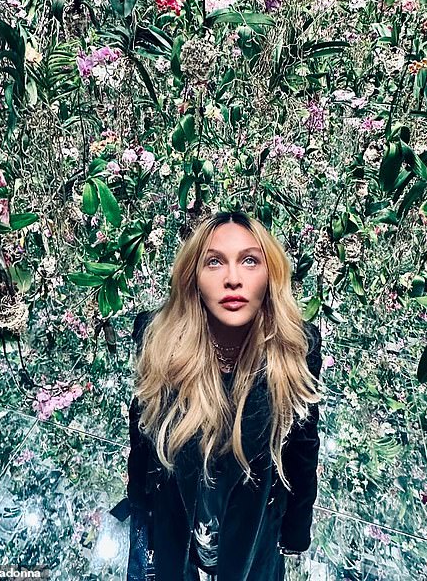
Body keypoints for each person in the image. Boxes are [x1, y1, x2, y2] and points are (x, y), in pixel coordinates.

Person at [124, 210, 322, 581]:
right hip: (178, 522)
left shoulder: (297, 347)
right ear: (194, 278)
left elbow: (303, 445)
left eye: (250, 261)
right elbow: (142, 428)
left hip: (252, 531)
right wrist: (140, 502)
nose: (233, 279)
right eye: (214, 262)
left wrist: (297, 529)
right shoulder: (156, 337)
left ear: (270, 276)